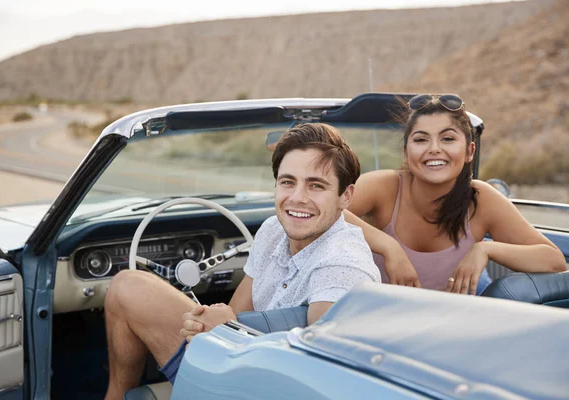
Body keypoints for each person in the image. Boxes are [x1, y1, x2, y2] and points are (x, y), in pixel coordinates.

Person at [104, 122, 381, 399]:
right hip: (237, 364)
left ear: (346, 196)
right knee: (126, 286)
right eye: (287, 182)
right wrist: (207, 325)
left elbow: (318, 382)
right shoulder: (274, 229)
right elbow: (236, 310)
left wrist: (231, 333)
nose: (297, 198)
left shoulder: (343, 267)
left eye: (316, 186)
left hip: (264, 390)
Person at [344, 94, 566, 294]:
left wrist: (485, 248)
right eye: (421, 139)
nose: (434, 149)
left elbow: (554, 260)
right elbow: (326, 212)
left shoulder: (481, 198)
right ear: (406, 152)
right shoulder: (383, 185)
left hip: (453, 327)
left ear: (470, 151)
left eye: (447, 139)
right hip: (377, 324)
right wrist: (388, 246)